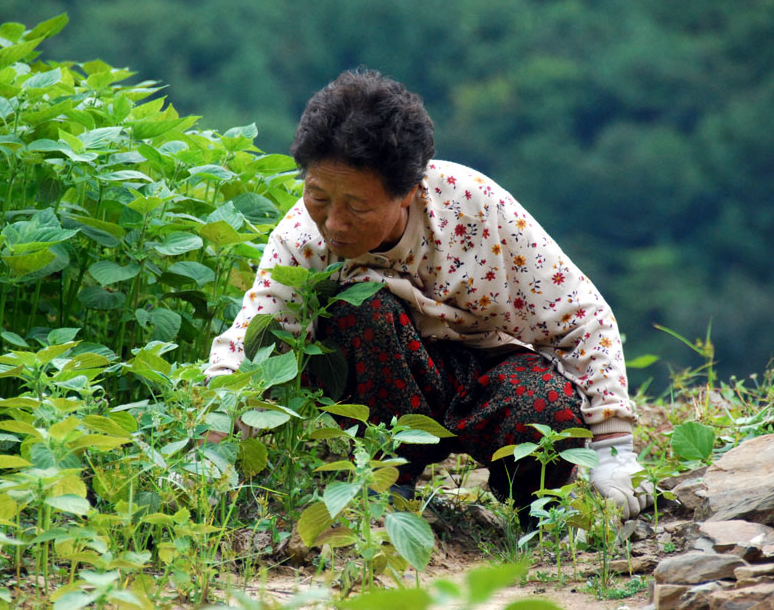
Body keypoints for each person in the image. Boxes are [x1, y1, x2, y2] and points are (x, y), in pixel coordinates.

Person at [204, 69, 651, 523]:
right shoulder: (301, 240)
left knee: (549, 411)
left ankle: (533, 509)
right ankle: (383, 485)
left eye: (357, 206)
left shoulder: (474, 207)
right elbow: (252, 341)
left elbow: (583, 317)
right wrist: (214, 438)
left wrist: (614, 450)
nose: (334, 223)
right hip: (382, 388)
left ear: (409, 193)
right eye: (319, 197)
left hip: (487, 372)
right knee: (360, 306)